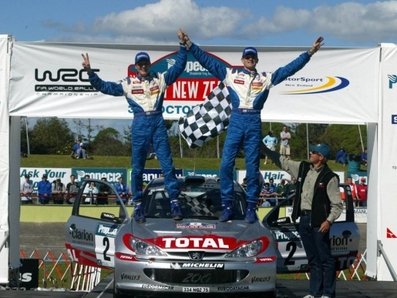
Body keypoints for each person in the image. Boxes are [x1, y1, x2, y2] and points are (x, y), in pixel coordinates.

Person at [178, 30, 324, 223]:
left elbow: (289, 69)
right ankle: (228, 206)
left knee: (252, 168)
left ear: (256, 60)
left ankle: (250, 207)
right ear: (242, 59)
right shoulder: (231, 75)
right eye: (247, 57)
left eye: (252, 57)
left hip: (254, 121)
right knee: (225, 165)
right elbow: (208, 61)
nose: (250, 60)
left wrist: (309, 53)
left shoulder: (265, 78)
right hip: (237, 120)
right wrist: (189, 44)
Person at [81, 30, 188, 223]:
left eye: (146, 63)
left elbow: (179, 67)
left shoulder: (160, 79)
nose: (144, 66)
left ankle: (174, 202)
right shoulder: (128, 83)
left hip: (157, 122)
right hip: (140, 124)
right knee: (137, 168)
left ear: (149, 64)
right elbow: (105, 87)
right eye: (140, 64)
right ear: (136, 67)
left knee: (167, 166)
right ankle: (138, 204)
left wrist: (182, 46)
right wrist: (90, 73)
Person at [264, 143, 343, 298]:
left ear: (321, 157)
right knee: (313, 259)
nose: (310, 153)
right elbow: (283, 162)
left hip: (320, 221)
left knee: (325, 259)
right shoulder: (303, 167)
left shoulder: (330, 177)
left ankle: (328, 293)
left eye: (313, 152)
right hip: (304, 218)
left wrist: (328, 221)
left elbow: (337, 205)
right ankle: (314, 293)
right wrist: (264, 150)